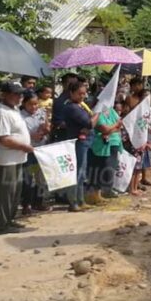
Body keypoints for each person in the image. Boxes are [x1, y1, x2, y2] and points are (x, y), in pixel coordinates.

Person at [0, 82, 35, 235]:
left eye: (20, 94)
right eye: (16, 94)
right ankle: (0, 225)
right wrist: (25, 147)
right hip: (6, 159)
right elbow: (4, 139)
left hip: (18, 158)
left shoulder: (14, 110)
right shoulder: (2, 112)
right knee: (4, 194)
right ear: (5, 95)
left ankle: (9, 219)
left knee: (15, 192)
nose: (19, 97)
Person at [57, 82, 93, 212]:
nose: (82, 96)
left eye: (84, 93)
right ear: (72, 93)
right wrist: (97, 115)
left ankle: (80, 200)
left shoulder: (81, 106)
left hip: (84, 141)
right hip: (77, 142)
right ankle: (73, 202)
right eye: (79, 93)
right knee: (77, 172)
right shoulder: (71, 107)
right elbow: (88, 123)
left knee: (82, 173)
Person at [87, 92, 123, 204]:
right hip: (99, 146)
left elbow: (119, 125)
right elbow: (104, 128)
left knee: (110, 168)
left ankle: (106, 191)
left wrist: (111, 129)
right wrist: (113, 127)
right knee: (99, 169)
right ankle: (94, 195)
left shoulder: (111, 110)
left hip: (113, 143)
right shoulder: (96, 112)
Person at [20, 91, 51, 215]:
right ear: (24, 104)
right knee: (27, 178)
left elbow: (47, 128)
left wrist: (46, 127)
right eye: (30, 104)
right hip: (28, 150)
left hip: (41, 149)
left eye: (36, 104)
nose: (34, 107)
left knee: (41, 177)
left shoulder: (41, 113)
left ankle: (39, 202)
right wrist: (31, 135)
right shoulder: (20, 116)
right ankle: (26, 204)